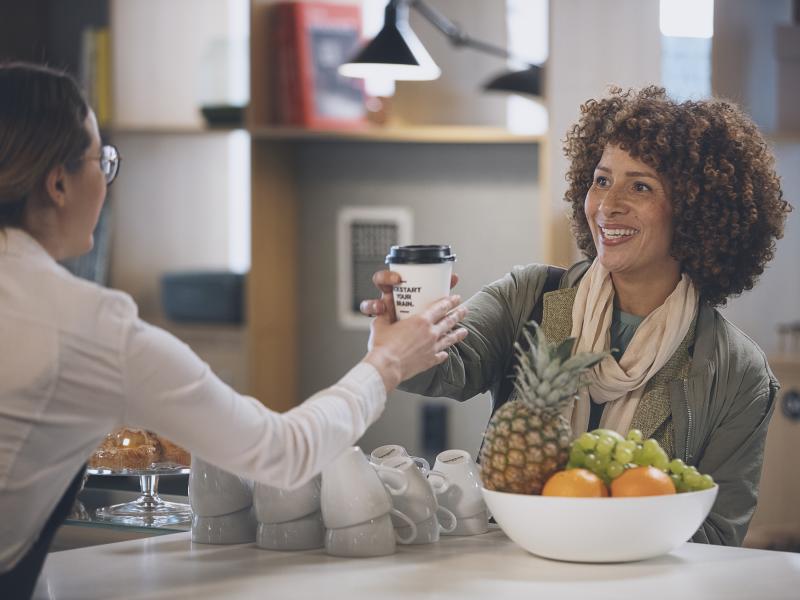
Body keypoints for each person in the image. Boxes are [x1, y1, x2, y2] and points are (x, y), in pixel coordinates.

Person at [0, 62, 468, 596]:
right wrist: (385, 364)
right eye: (101, 161)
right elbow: (282, 452)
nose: (106, 181)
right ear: (58, 183)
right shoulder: (86, 325)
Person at [362, 86, 791, 547]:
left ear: (694, 211)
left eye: (640, 186)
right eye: (602, 180)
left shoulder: (738, 374)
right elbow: (446, 371)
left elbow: (719, 536)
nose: (607, 205)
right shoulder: (530, 295)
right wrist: (401, 341)